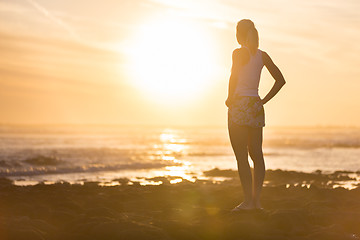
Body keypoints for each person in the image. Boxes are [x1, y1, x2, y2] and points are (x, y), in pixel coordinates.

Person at [225, 19, 286, 211]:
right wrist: (263, 100)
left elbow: (234, 76)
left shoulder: (238, 53)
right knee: (257, 155)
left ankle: (247, 202)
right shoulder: (262, 55)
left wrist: (229, 98)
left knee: (242, 156)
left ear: (240, 33)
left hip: (239, 104)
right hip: (255, 105)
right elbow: (280, 80)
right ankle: (257, 201)